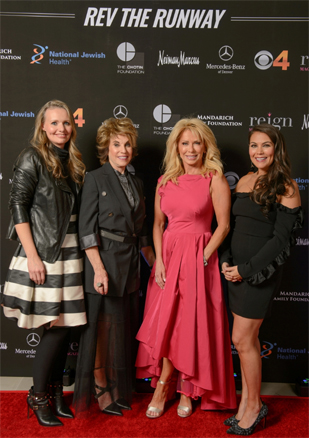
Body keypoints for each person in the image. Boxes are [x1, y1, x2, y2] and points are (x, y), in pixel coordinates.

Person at [135, 118, 237, 419]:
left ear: (205, 146)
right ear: (176, 147)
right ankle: (165, 385)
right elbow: (156, 224)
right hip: (168, 259)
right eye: (184, 143)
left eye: (196, 142)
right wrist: (160, 261)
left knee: (189, 326)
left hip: (199, 260)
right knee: (166, 325)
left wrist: (203, 256)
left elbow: (224, 225)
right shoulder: (165, 180)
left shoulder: (214, 178)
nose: (190, 148)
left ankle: (185, 389)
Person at [2, 100, 87, 427]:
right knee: (53, 329)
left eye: (65, 123)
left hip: (70, 251)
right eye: (54, 124)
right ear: (42, 127)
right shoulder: (32, 157)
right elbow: (18, 206)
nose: (61, 129)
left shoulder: (73, 160)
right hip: (45, 253)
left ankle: (54, 392)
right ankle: (37, 397)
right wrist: (33, 256)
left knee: (66, 328)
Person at [221, 123, 302, 436]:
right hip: (236, 271)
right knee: (244, 342)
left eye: (265, 145)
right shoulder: (243, 180)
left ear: (276, 148)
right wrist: (228, 261)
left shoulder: (287, 187)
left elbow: (280, 241)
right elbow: (232, 226)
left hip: (259, 273)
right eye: (254, 145)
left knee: (242, 339)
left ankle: (254, 407)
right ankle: (247, 403)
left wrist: (247, 269)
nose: (258, 152)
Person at [73, 117, 155, 417]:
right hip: (103, 261)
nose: (123, 149)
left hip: (130, 263)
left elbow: (143, 231)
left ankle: (117, 383)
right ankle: (100, 385)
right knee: (101, 330)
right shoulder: (95, 178)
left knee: (121, 330)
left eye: (127, 144)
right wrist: (98, 269)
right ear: (106, 148)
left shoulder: (136, 181)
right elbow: (86, 229)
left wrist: (155, 264)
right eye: (117, 144)